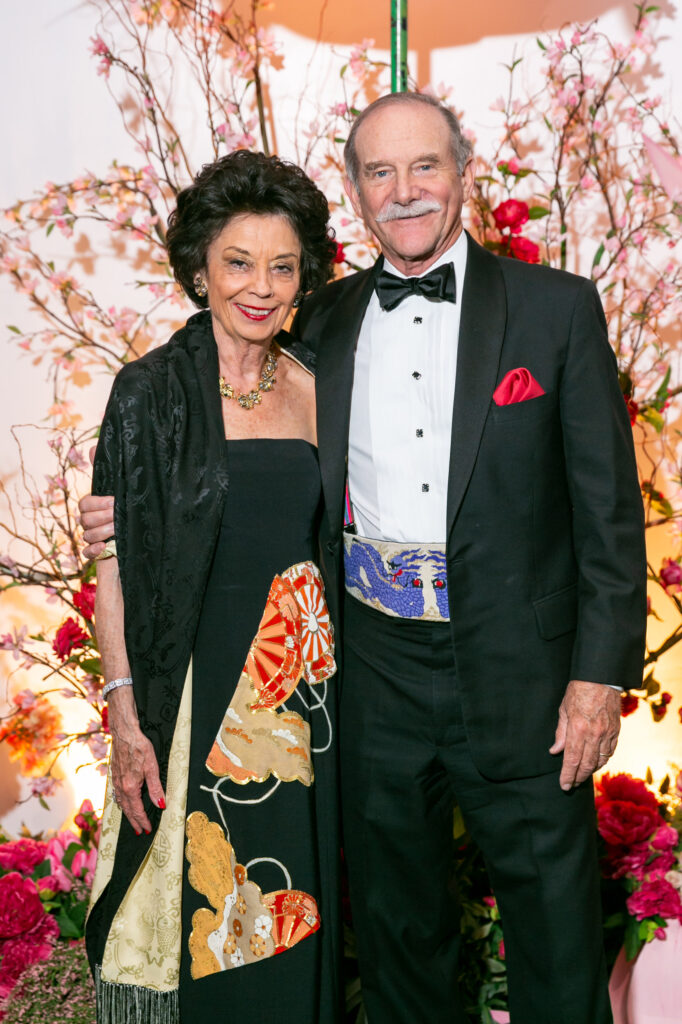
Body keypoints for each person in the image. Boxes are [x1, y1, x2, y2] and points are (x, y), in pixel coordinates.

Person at [82, 93, 647, 1024]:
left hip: (528, 679)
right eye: (379, 173)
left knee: (554, 935)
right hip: (370, 676)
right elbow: (224, 453)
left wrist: (599, 679)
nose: (406, 190)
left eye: (425, 165)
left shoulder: (557, 311)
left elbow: (609, 515)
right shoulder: (323, 327)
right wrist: (125, 509)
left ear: (464, 173)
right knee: (397, 940)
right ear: (356, 193)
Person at [84, 149, 342, 1024]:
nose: (260, 286)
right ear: (200, 268)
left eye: (282, 265)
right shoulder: (151, 392)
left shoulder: (319, 385)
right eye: (238, 262)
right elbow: (112, 567)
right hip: (197, 700)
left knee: (297, 918)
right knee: (214, 925)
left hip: (305, 709)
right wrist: (125, 716)